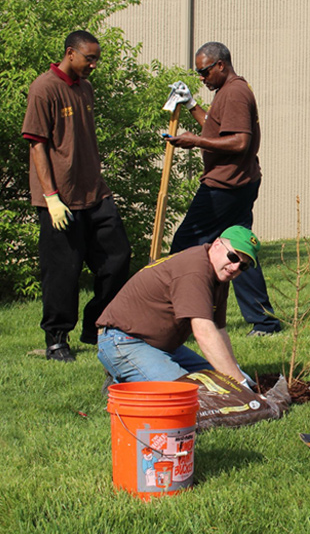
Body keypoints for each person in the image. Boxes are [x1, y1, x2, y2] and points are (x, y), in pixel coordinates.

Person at [22, 30, 131, 363]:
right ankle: (56, 339)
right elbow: (37, 144)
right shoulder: (44, 88)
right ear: (71, 53)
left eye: (97, 59)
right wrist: (51, 197)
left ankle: (95, 324)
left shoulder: (85, 88)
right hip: (61, 199)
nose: (94, 65)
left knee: (118, 258)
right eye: (89, 58)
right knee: (62, 273)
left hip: (94, 192)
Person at [167, 42, 280, 337]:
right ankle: (265, 322)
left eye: (204, 72)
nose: (201, 78)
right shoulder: (226, 92)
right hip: (238, 182)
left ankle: (174, 318)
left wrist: (196, 142)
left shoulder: (235, 93)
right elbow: (216, 128)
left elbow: (239, 141)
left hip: (225, 186)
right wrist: (192, 106)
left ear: (221, 65)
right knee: (239, 249)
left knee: (184, 247)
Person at [96, 226, 259, 385]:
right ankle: (125, 374)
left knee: (220, 385)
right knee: (190, 394)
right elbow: (204, 332)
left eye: (243, 266)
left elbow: (219, 330)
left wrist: (235, 374)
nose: (236, 267)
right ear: (217, 244)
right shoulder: (195, 271)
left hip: (164, 346)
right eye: (233, 256)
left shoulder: (219, 275)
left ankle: (131, 376)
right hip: (125, 340)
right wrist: (240, 383)